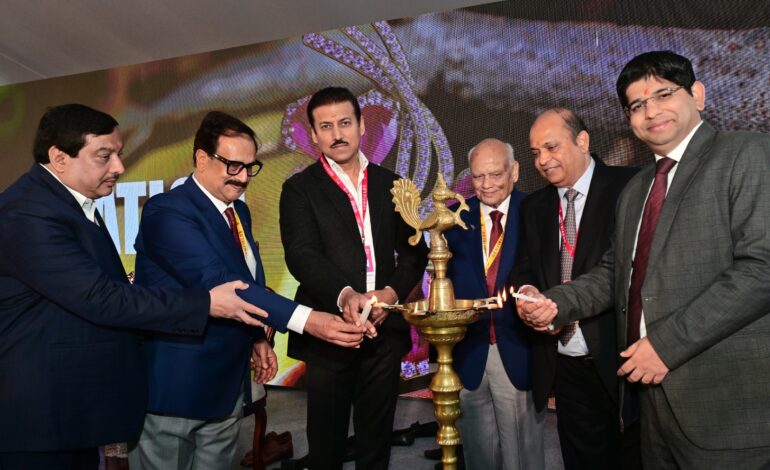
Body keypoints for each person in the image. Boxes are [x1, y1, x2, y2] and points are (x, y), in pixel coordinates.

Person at [519, 50, 770, 468]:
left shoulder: (746, 155)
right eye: (637, 105)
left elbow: (760, 268)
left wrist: (666, 346)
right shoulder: (637, 189)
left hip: (725, 407)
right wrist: (557, 304)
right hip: (651, 408)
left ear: (698, 95)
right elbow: (615, 272)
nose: (651, 111)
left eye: (663, 94)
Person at [0, 104, 268, 470]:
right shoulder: (27, 211)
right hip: (40, 416)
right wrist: (205, 303)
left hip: (69, 411)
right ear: (59, 158)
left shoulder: (70, 204)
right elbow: (102, 298)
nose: (120, 168)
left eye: (119, 154)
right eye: (104, 156)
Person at [128, 111, 366, 470]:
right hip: (177, 388)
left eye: (250, 167)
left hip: (228, 387)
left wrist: (257, 338)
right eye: (232, 166)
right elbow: (221, 283)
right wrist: (310, 321)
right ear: (201, 158)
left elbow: (248, 281)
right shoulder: (168, 211)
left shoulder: (238, 211)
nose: (242, 178)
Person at [279, 86, 428, 470]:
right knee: (326, 446)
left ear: (362, 125)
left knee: (375, 442)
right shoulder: (298, 189)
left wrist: (389, 294)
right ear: (312, 134)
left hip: (384, 330)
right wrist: (345, 295)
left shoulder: (392, 184)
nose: (337, 133)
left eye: (345, 122)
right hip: (329, 331)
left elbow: (415, 251)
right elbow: (302, 255)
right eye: (325, 126)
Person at [510, 109, 638, 470]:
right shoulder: (535, 206)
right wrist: (529, 291)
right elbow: (521, 267)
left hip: (623, 356)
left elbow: (627, 271)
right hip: (563, 359)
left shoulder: (630, 187)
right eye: (535, 152)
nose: (542, 160)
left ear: (582, 141)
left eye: (551, 147)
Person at [443, 138, 544, 470]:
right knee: (477, 453)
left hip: (518, 348)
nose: (486, 185)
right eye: (477, 177)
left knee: (522, 455)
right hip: (468, 351)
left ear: (514, 171)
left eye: (495, 175)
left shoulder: (536, 212)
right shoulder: (453, 218)